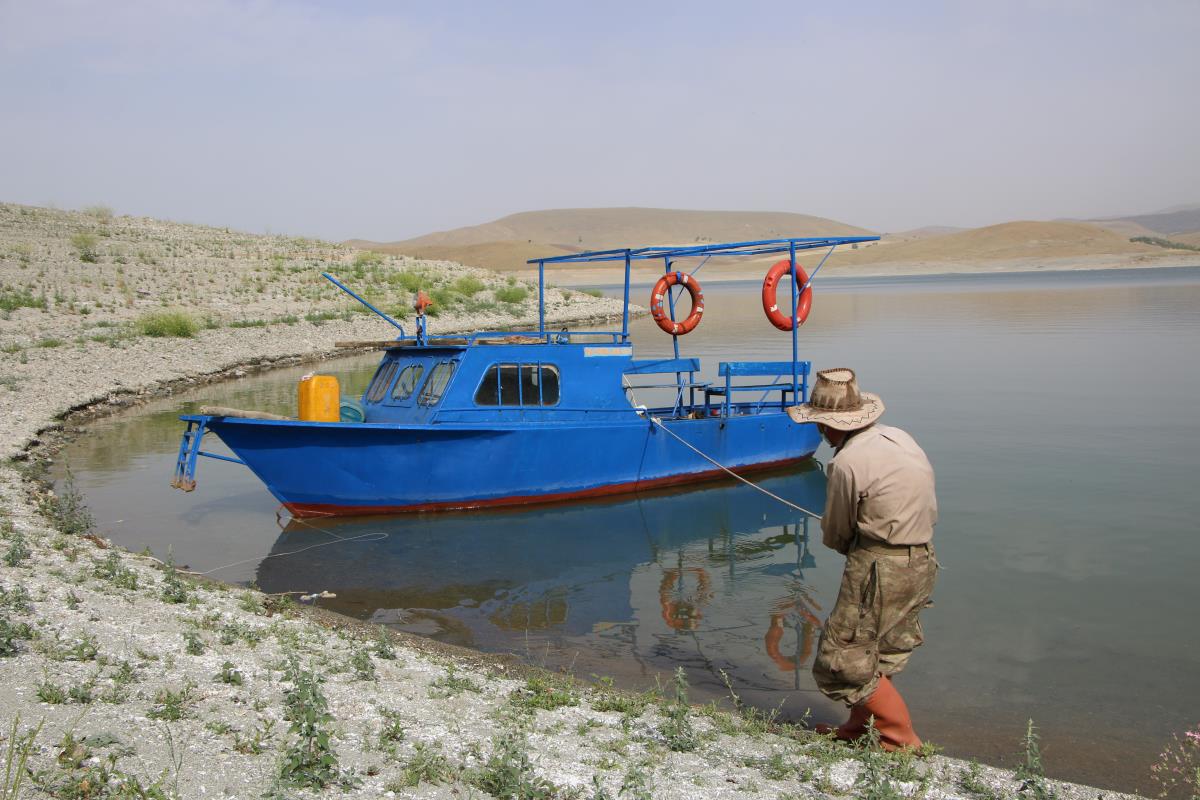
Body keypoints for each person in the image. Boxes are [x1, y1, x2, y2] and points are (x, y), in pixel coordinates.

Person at [786, 367, 938, 751]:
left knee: (841, 658)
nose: (820, 433)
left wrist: (851, 548)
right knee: (879, 651)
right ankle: (861, 727)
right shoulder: (899, 437)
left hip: (878, 565)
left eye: (821, 426)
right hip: (921, 559)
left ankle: (896, 736)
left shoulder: (847, 463)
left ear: (833, 426)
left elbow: (837, 532)